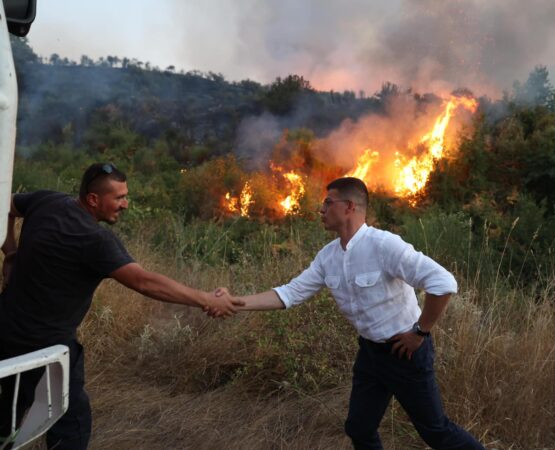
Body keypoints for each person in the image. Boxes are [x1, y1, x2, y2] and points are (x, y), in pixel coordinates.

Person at [221, 177, 484, 449]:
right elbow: (291, 292)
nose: (321, 210)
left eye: (327, 202)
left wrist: (420, 332)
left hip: (406, 353)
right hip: (370, 354)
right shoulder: (328, 256)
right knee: (359, 428)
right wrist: (236, 302)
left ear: (348, 206)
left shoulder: (384, 245)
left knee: (436, 432)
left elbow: (443, 283)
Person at [0, 162, 242, 449]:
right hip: (47, 347)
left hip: (6, 328)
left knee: (10, 404)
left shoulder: (47, 200)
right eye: (119, 198)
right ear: (93, 199)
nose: (125, 204)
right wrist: (205, 299)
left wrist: (10, 251)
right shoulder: (95, 240)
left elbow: (7, 205)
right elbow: (144, 282)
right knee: (72, 420)